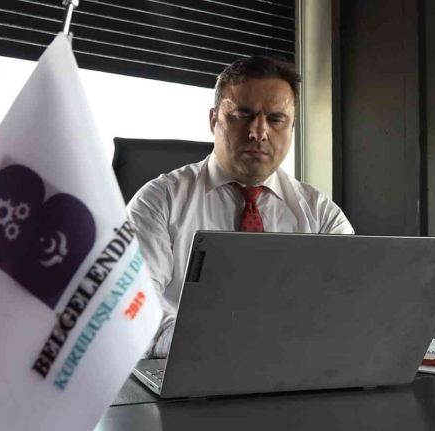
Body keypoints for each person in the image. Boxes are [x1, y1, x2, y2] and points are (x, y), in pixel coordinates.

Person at [127, 55, 355, 358]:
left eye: (276, 119)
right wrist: (217, 342)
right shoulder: (159, 201)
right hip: (189, 364)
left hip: (293, 368)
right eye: (242, 115)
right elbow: (135, 313)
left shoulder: (321, 215)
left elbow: (350, 307)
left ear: (292, 127)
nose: (258, 132)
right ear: (214, 120)